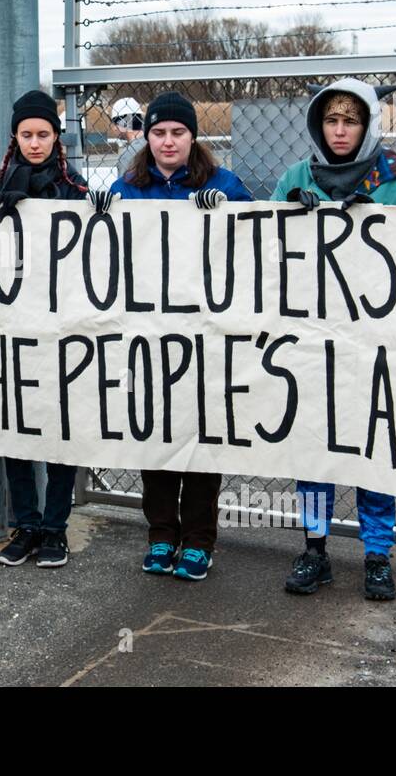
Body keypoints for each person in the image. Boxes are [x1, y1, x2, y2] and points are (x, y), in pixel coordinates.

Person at [273, 78, 396, 602]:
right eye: (331, 121)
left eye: (351, 121)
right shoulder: (297, 177)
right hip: (312, 340)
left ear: (368, 125)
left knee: (372, 446)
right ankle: (314, 547)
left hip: (374, 341)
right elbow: (263, 250)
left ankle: (377, 554)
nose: (340, 131)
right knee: (314, 449)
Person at [109, 91, 252, 580]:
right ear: (146, 138)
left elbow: (256, 241)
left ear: (193, 137)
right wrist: (99, 214)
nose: (168, 141)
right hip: (149, 334)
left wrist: (227, 213)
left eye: (178, 132)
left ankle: (199, 539)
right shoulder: (129, 186)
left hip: (205, 334)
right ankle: (161, 534)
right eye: (159, 133)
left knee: (201, 437)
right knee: (156, 435)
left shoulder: (225, 184)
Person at [0, 89, 90, 569]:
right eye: (27, 134)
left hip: (62, 332)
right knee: (15, 426)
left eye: (44, 134)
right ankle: (27, 524)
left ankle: (55, 527)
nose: (35, 143)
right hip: (10, 333)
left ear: (57, 138)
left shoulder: (74, 188)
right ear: (14, 137)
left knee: (59, 430)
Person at [111, 96, 146, 178]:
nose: (114, 128)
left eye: (115, 123)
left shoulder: (128, 154)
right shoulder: (152, 142)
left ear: (125, 122)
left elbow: (122, 188)